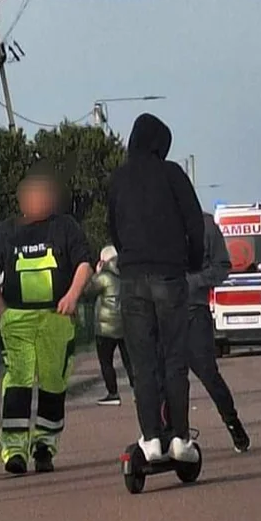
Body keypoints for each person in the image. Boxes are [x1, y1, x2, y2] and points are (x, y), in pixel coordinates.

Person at [108, 112, 205, 464]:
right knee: (174, 358)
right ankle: (180, 437)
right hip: (169, 276)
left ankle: (151, 438)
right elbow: (195, 225)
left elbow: (113, 227)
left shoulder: (118, 179)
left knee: (143, 361)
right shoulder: (173, 175)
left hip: (132, 278)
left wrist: (129, 257)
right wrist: (192, 262)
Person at [0, 165, 93, 475]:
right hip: (17, 318)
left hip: (56, 318)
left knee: (53, 384)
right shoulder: (7, 231)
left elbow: (84, 263)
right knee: (18, 384)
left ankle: (45, 446)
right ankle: (15, 450)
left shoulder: (66, 227)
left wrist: (73, 295)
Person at [186, 211, 250, 452]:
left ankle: (233, 423)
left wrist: (191, 283)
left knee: (208, 374)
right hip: (162, 314)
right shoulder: (157, 222)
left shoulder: (205, 225)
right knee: (165, 379)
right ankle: (173, 435)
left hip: (194, 312)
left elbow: (222, 267)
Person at [85, 244, 135, 406]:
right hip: (125, 323)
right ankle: (138, 390)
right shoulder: (126, 272)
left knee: (106, 361)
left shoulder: (103, 276)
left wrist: (96, 273)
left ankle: (113, 393)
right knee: (130, 361)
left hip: (105, 326)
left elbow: (87, 291)